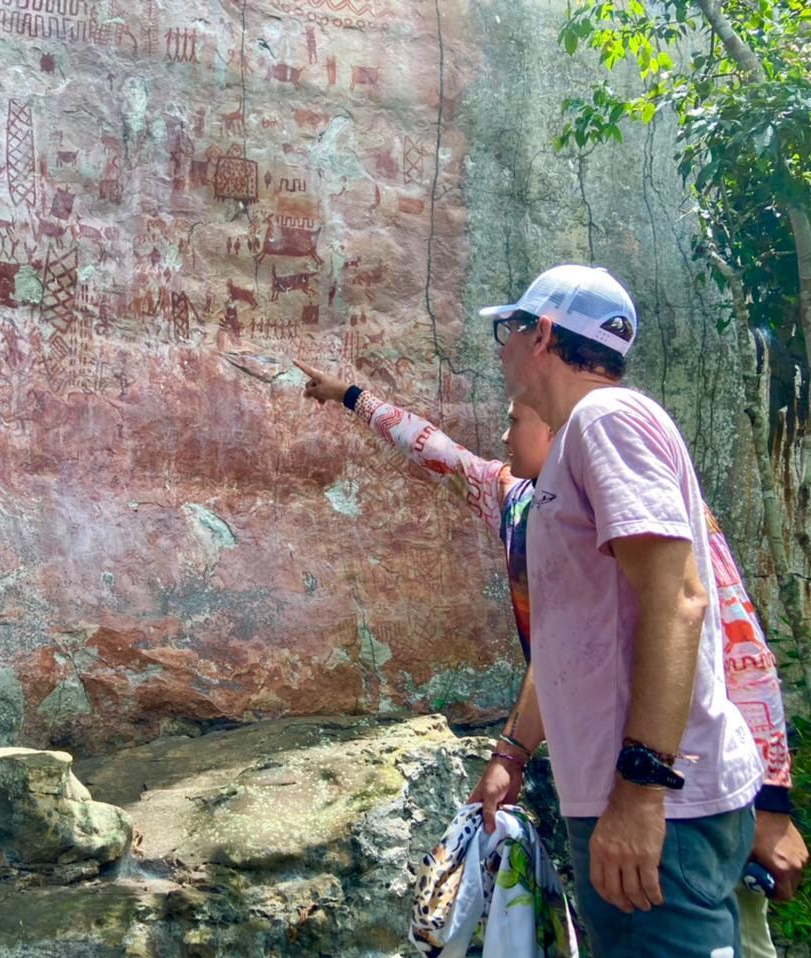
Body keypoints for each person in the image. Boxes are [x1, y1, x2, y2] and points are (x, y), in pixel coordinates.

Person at [294, 263, 785, 957]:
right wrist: (513, 753)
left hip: (660, 805)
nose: (500, 350)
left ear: (544, 334)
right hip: (630, 800)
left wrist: (646, 791)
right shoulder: (542, 485)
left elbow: (688, 605)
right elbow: (569, 642)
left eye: (508, 329)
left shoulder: (606, 420)